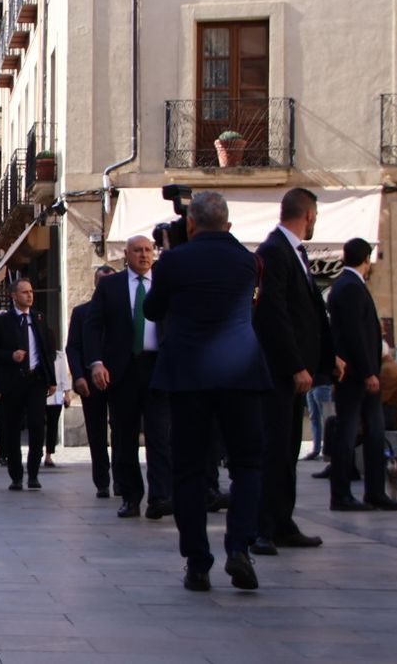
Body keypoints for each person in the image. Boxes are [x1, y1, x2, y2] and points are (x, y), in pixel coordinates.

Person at [142, 191, 272, 593]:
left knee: (190, 470)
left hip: (188, 376)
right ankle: (240, 547)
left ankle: (197, 562)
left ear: (191, 224)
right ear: (228, 224)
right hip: (240, 373)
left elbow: (152, 310)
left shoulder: (174, 261)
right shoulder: (250, 261)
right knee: (247, 464)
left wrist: (172, 254)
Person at [253, 188, 337, 553]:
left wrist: (328, 357)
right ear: (309, 215)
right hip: (279, 372)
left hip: (295, 371)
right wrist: (295, 365)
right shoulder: (275, 251)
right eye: (315, 216)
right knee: (274, 450)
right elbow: (274, 314)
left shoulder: (294, 252)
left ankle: (282, 521)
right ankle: (265, 526)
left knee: (287, 449)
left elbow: (308, 314)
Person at [85, 236, 172, 519]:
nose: (144, 255)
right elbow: (93, 325)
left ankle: (160, 496)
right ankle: (131, 496)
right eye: (138, 250)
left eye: (148, 250)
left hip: (158, 367)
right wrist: (96, 362)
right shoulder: (111, 286)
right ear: (126, 254)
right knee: (124, 436)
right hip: (122, 370)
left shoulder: (165, 284)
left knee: (160, 435)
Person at [326, 239, 397, 511]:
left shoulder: (347, 286)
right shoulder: (350, 287)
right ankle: (342, 495)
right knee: (348, 433)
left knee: (374, 431)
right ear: (367, 259)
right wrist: (369, 371)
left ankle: (375, 491)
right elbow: (355, 334)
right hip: (357, 374)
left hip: (361, 373)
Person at [0, 279, 57, 490]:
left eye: (31, 291)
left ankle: (33, 473)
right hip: (12, 383)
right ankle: (16, 475)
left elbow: (48, 350)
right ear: (14, 295)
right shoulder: (3, 322)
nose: (29, 295)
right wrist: (10, 355)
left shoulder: (39, 318)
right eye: (24, 292)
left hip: (36, 381)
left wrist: (52, 380)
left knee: (38, 426)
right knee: (11, 428)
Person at [66, 265, 116, 496]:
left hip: (120, 379)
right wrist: (78, 377)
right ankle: (102, 481)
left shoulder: (124, 312)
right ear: (96, 284)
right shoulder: (81, 312)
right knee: (96, 433)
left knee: (122, 430)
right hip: (90, 380)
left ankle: (123, 479)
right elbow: (73, 347)